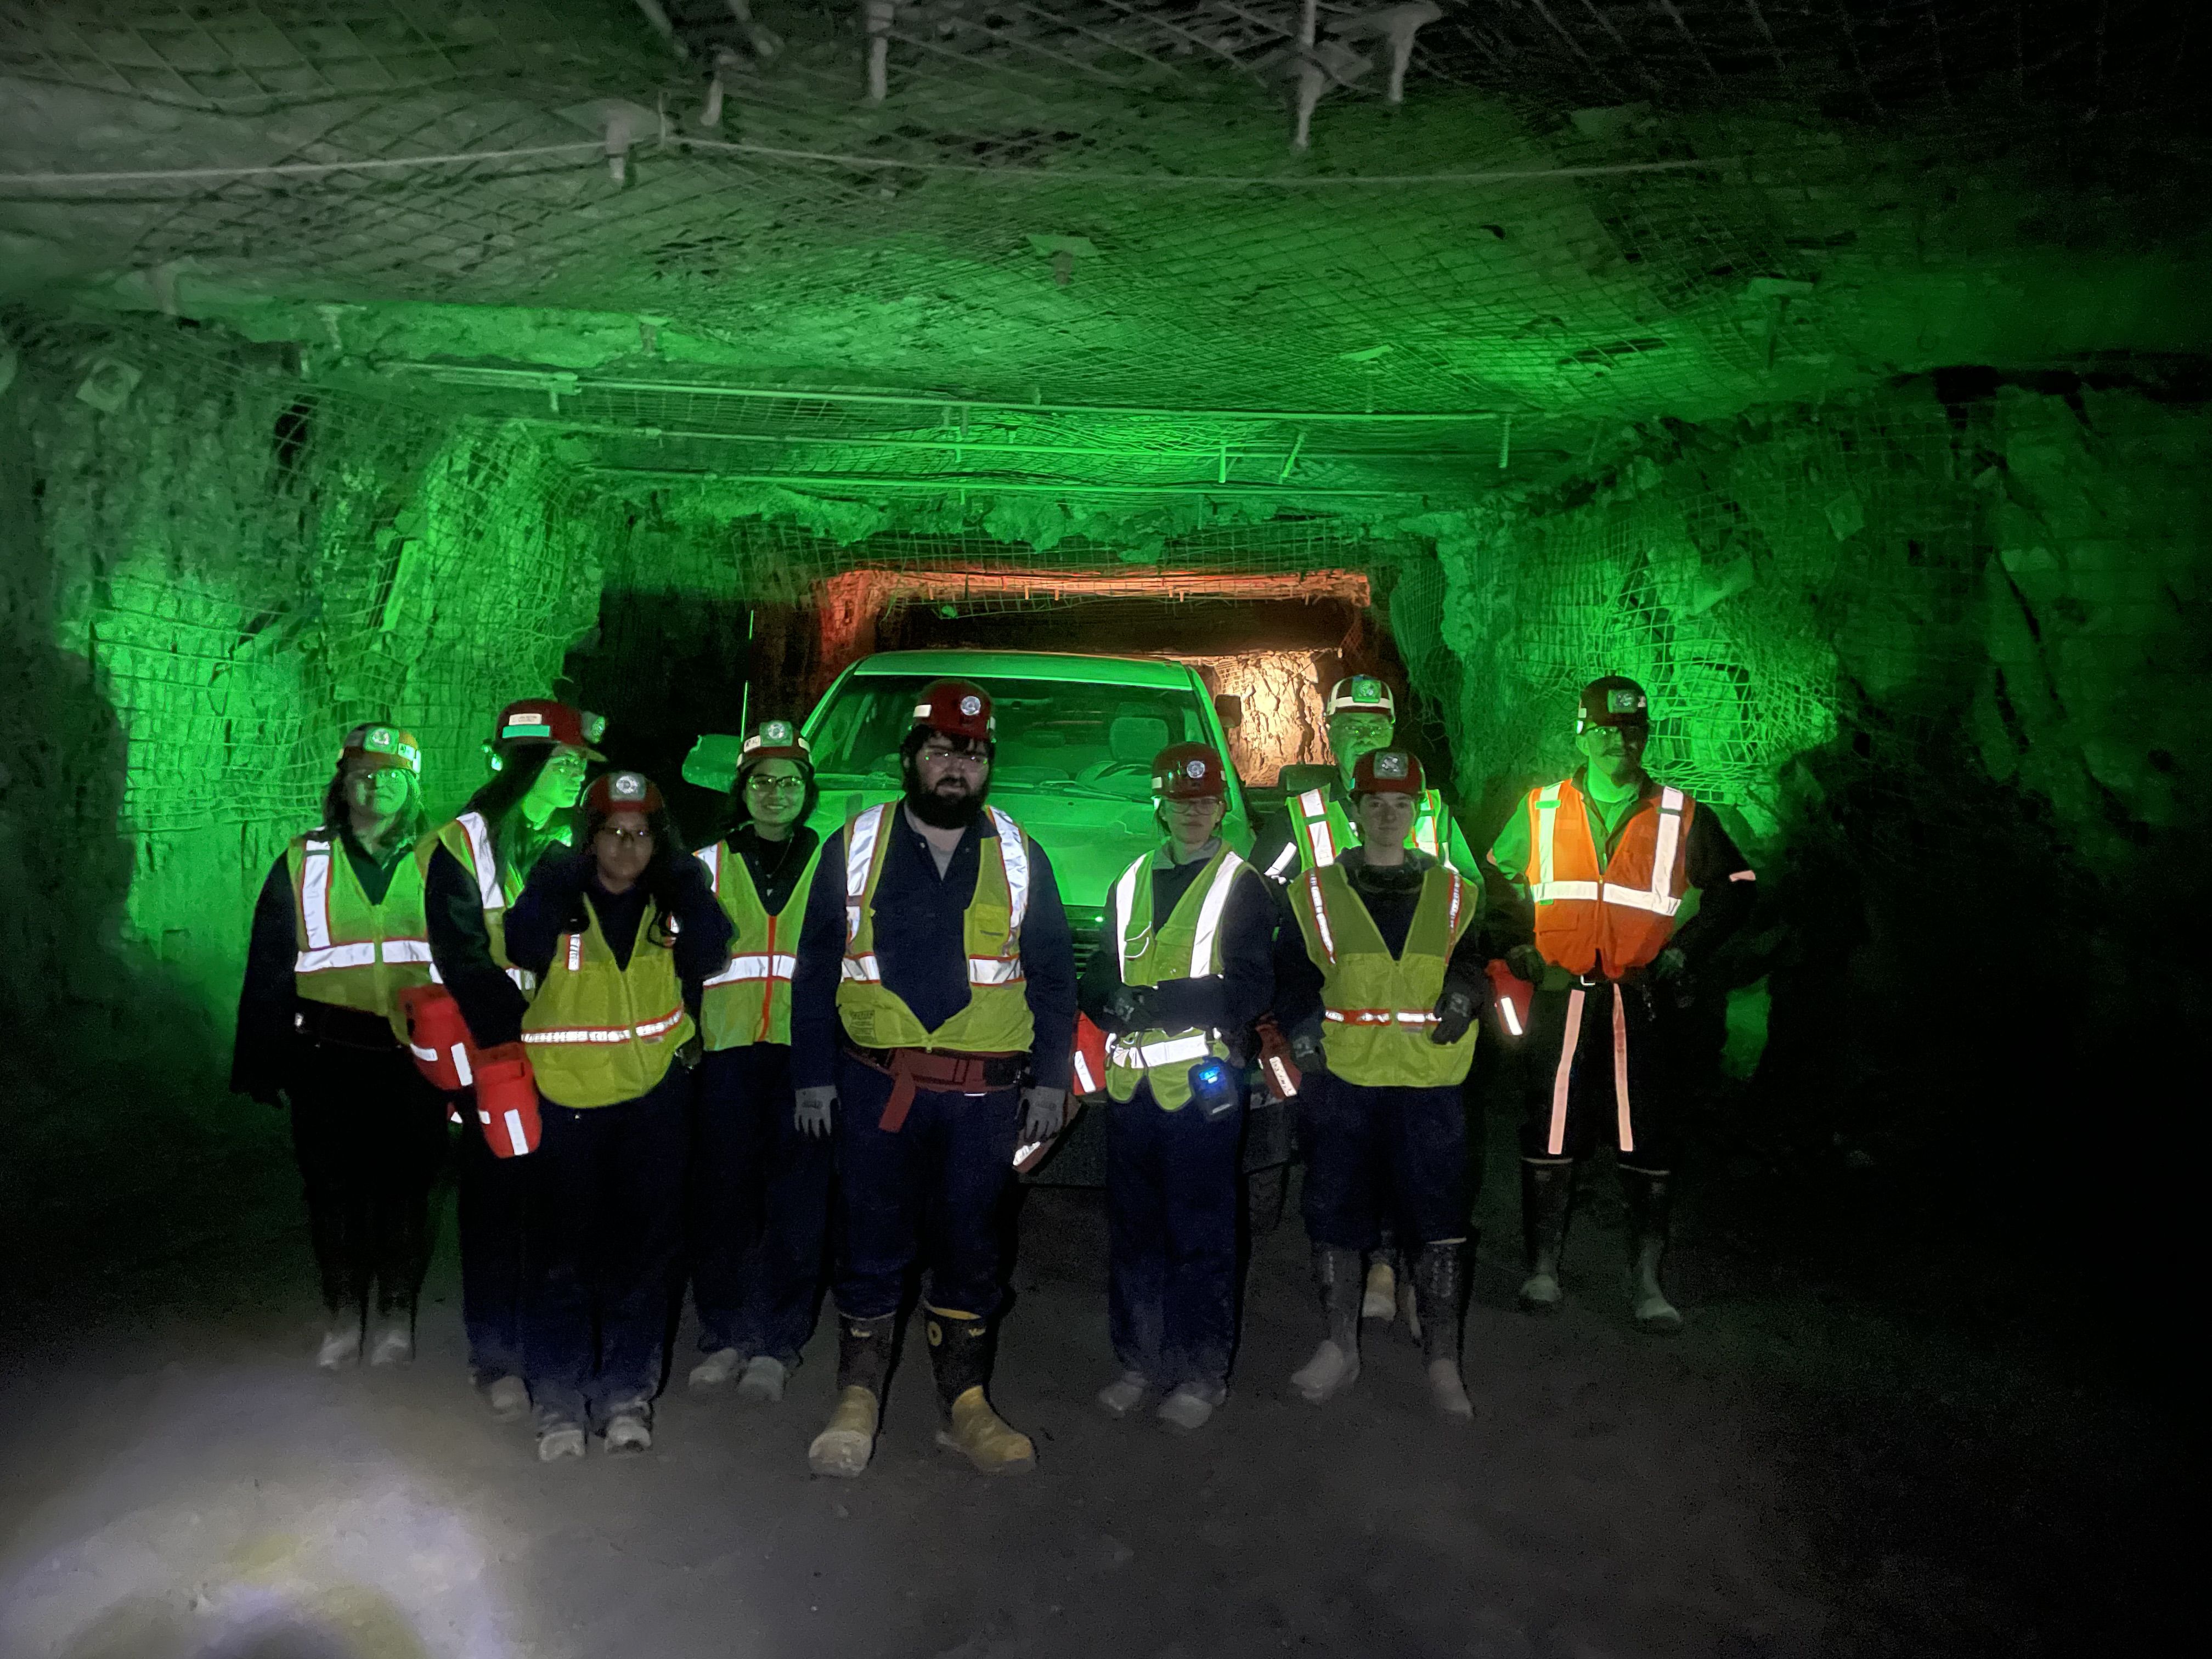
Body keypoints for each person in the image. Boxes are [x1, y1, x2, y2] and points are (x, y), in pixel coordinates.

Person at [788, 679, 1078, 1479]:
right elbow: (813, 972)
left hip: (984, 1099)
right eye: (942, 750)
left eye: (973, 754)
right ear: (911, 758)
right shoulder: (855, 845)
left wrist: (1050, 1083)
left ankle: (966, 1404)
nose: (957, 767)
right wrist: (812, 1077)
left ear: (988, 767)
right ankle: (858, 1394)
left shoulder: (1019, 853)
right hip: (877, 1087)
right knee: (870, 1235)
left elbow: (1054, 979)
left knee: (971, 1243)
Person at [1484, 675, 1756, 1332]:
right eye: (1605, 729)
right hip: (1562, 1000)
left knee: (1648, 1139)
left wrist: (1687, 949)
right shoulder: (1543, 808)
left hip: (1640, 1004)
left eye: (1632, 730)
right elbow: (1495, 875)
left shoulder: (1680, 815)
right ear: (1584, 732)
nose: (1619, 741)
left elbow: (1739, 885)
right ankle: (1543, 1270)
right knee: (1549, 1133)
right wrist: (1520, 940)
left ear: (1645, 735)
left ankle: (1646, 1283)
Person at [504, 771, 732, 1461]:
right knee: (562, 1261)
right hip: (566, 1103)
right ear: (590, 837)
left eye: (640, 834)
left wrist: (691, 890)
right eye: (613, 833)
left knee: (643, 1258)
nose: (627, 848)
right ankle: (559, 1404)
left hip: (651, 1101)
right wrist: (552, 881)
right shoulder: (559, 895)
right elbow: (519, 945)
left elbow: (712, 952)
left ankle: (627, 1396)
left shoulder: (672, 903)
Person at [1251, 673, 1482, 1330]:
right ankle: (1375, 1271)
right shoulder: (1303, 815)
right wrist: (1290, 1007)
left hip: (1420, 1026)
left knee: (1423, 1164)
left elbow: (1469, 903)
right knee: (1344, 1159)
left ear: (1392, 732)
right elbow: (1262, 904)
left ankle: (1408, 1277)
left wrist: (1463, 990)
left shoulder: (1431, 811)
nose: (1362, 735)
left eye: (1374, 727)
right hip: (1340, 1017)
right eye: (1349, 726)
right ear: (1329, 732)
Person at [1274, 748, 1488, 1420]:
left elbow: (1480, 960)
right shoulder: (1313, 891)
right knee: (1334, 1211)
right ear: (1354, 812)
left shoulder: (1457, 892)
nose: (1388, 816)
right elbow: (1291, 973)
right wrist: (1302, 1027)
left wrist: (1464, 994)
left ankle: (1444, 1363)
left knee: (1440, 1218)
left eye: (1401, 804)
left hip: (1431, 1078)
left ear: (1418, 813)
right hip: (1344, 1077)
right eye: (1375, 804)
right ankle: (1340, 1347)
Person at [233, 725, 444, 1368]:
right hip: (328, 1054)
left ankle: (395, 1313)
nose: (375, 783)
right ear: (342, 784)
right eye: (362, 773)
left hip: (417, 1058)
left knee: (408, 1190)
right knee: (333, 1190)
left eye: (390, 773)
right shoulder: (303, 861)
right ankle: (342, 1312)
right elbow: (270, 962)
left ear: (412, 784)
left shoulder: (442, 860)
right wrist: (260, 1059)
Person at [1080, 743, 1276, 1432]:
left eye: (1205, 801)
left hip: (1200, 1093)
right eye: (1180, 801)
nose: (1193, 813)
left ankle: (1201, 1372)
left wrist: (1158, 1003)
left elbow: (1252, 986)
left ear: (1222, 805)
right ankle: (1139, 1361)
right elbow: (1102, 969)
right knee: (1135, 1234)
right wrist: (1109, 1003)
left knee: (1202, 1236)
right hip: (1132, 1091)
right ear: (1159, 807)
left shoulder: (1242, 883)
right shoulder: (1128, 881)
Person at [419, 698, 599, 1419]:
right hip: (493, 1055)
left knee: (556, 1205)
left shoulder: (573, 844)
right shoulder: (459, 848)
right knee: (496, 1203)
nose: (575, 777)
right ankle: (496, 1357)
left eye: (582, 766)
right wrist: (524, 1031)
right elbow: (460, 957)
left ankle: (549, 1344)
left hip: (563, 1053)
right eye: (563, 763)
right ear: (523, 767)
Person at [687, 719, 832, 1403]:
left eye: (791, 782)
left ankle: (778, 1342)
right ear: (741, 789)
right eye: (763, 782)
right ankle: (722, 1335)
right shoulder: (703, 866)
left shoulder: (835, 865)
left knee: (797, 1205)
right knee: (723, 1200)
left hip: (807, 1062)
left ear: (809, 792)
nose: (776, 794)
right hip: (724, 1057)